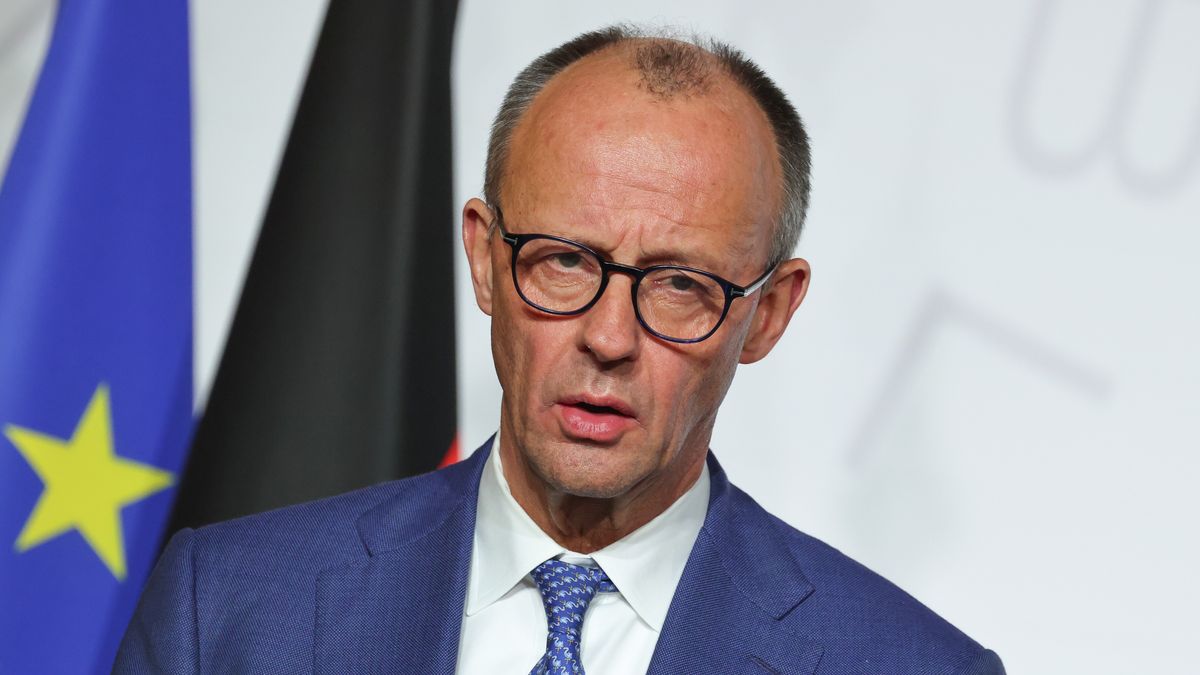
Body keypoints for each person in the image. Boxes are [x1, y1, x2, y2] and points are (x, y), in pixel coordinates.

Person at [116, 25, 1004, 674]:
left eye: (679, 284)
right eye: (564, 262)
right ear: (483, 258)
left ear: (769, 313)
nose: (609, 338)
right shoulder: (226, 611)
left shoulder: (907, 666)